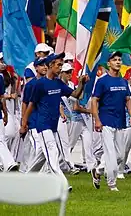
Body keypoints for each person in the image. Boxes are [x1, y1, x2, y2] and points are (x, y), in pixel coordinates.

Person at [21, 53, 86, 191]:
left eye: (61, 65)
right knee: (53, 153)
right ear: (50, 65)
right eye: (58, 65)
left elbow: (75, 95)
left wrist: (82, 83)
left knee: (42, 157)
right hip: (42, 125)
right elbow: (31, 105)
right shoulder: (39, 84)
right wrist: (24, 124)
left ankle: (25, 180)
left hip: (53, 125)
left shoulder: (58, 83)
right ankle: (61, 184)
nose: (60, 68)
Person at [89, 52, 131, 191]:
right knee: (110, 153)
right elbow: (94, 100)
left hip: (120, 121)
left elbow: (128, 99)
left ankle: (98, 171)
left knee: (120, 155)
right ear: (108, 63)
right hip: (106, 121)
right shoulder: (102, 81)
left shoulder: (122, 81)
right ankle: (112, 184)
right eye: (114, 60)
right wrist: (97, 120)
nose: (118, 62)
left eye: (119, 60)